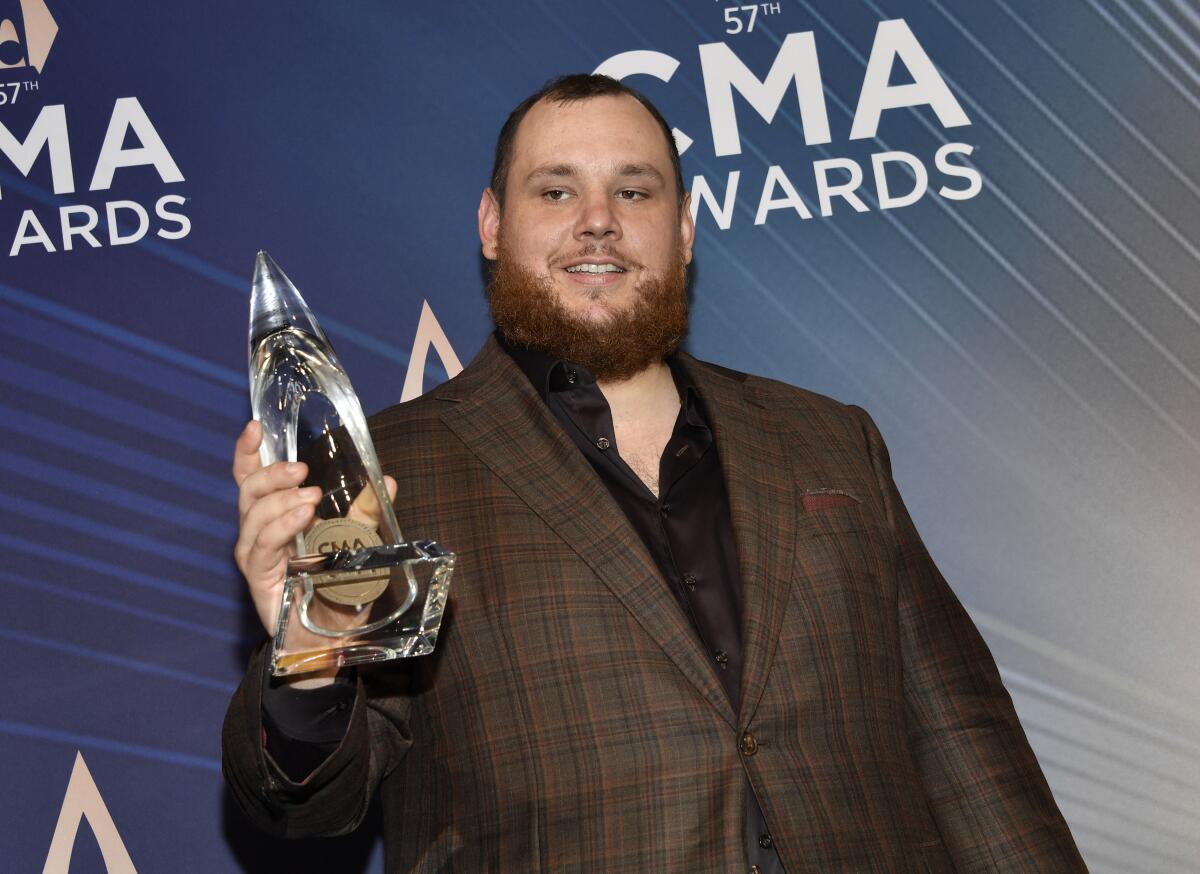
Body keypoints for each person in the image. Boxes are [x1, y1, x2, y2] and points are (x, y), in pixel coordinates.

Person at [223, 74, 1086, 873]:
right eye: (556, 191)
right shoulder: (389, 473)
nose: (597, 220)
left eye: (633, 192)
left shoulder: (827, 438)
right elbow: (310, 803)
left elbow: (965, 742)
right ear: (491, 223)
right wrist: (310, 653)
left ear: (681, 227)